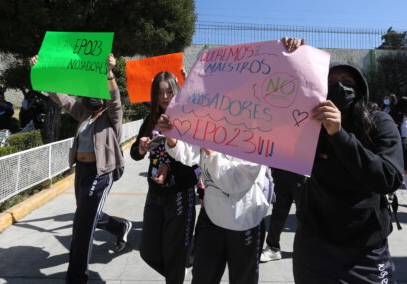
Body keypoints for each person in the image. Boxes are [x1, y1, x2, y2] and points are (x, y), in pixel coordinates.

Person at [282, 37, 404, 283]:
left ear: (359, 89)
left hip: (364, 244)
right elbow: (273, 100)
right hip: (314, 242)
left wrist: (339, 135)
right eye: (331, 82)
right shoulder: (306, 125)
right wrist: (290, 59)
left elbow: (389, 178)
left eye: (347, 82)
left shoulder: (379, 122)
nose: (339, 87)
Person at [29, 54, 131, 284]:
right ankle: (119, 226)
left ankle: (77, 277)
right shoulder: (83, 113)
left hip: (101, 172)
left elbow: (116, 100)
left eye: (98, 93)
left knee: (82, 224)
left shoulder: (111, 117)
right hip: (82, 171)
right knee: (87, 213)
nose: (94, 97)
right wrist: (42, 71)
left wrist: (108, 72)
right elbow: (61, 97)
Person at [156, 123, 271, 284]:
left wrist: (207, 146)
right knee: (202, 277)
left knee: (243, 278)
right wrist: (171, 136)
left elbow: (233, 183)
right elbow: (189, 154)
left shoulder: (255, 136)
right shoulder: (212, 127)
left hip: (244, 220)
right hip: (211, 217)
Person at [130, 71, 198, 284]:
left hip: (180, 191)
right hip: (155, 193)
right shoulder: (150, 120)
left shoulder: (186, 118)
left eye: (169, 91)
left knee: (175, 254)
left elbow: (192, 158)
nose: (165, 97)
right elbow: (134, 153)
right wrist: (141, 148)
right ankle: (179, 270)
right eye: (160, 93)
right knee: (148, 251)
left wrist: (169, 165)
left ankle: (178, 270)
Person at [260, 169, 306, 262]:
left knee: (304, 216)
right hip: (282, 169)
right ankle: (273, 248)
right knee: (278, 211)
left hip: (302, 169)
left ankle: (306, 250)